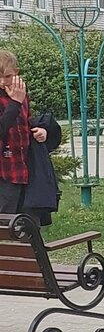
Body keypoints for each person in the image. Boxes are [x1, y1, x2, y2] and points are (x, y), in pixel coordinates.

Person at [0, 50, 48, 214]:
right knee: (5, 219)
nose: (3, 82)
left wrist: (40, 131)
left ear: (16, 72)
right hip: (4, 172)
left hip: (23, 169)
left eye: (7, 76)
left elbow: (27, 123)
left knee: (27, 220)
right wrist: (14, 104)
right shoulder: (15, 99)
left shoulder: (21, 96)